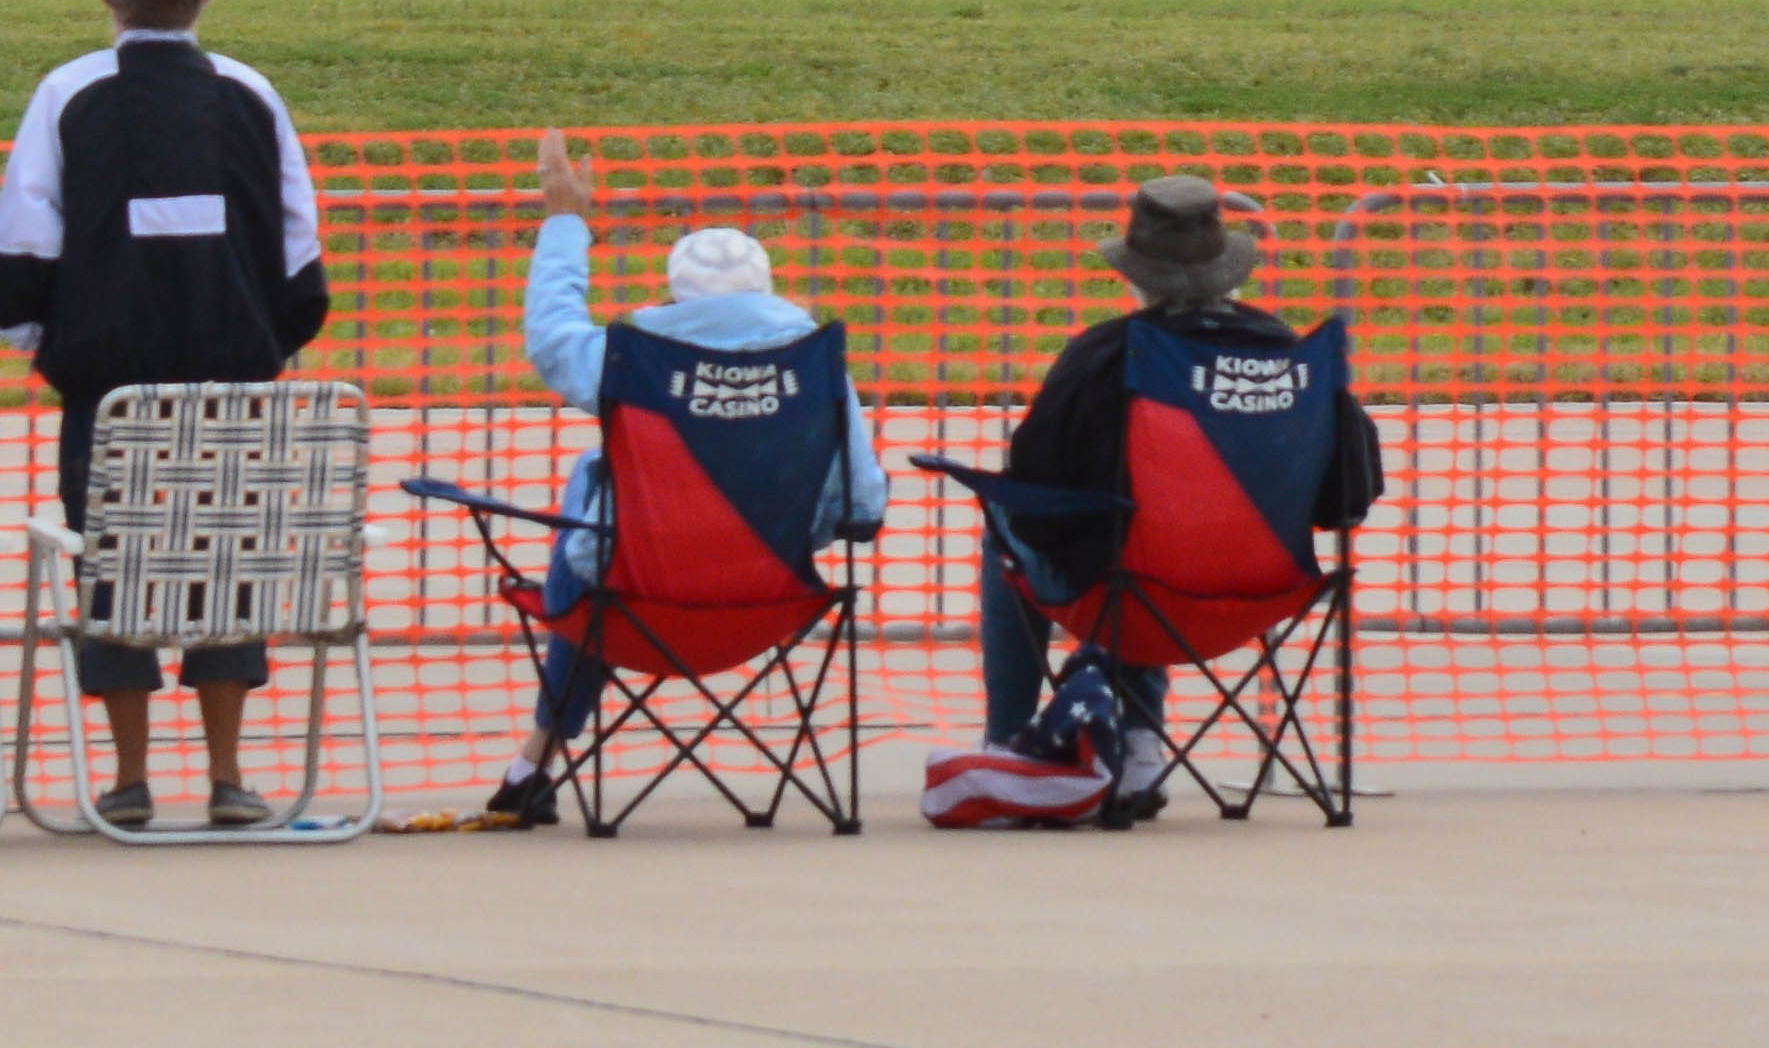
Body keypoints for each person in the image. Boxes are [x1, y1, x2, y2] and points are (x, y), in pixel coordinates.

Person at [0, 0, 331, 832]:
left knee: (112, 568)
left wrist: (33, 337)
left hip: (107, 398)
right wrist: (270, 340)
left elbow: (25, 244)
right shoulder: (251, 95)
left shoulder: (67, 96)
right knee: (231, 565)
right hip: (234, 392)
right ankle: (227, 773)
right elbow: (300, 253)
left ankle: (129, 776)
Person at [483, 126, 887, 825]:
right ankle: (532, 761)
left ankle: (536, 757)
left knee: (594, 498)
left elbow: (552, 342)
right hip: (773, 600)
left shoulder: (636, 358)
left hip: (632, 601)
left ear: (675, 297)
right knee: (601, 507)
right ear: (769, 289)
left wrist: (564, 223)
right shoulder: (815, 360)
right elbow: (864, 503)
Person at [980, 175, 1382, 781]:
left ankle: (1008, 741)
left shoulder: (1105, 356)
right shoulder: (1291, 356)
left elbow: (1034, 482)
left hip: (1132, 592)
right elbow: (1352, 493)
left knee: (1029, 532)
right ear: (1227, 265)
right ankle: (1142, 741)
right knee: (1139, 541)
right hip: (1264, 590)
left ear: (1135, 272)